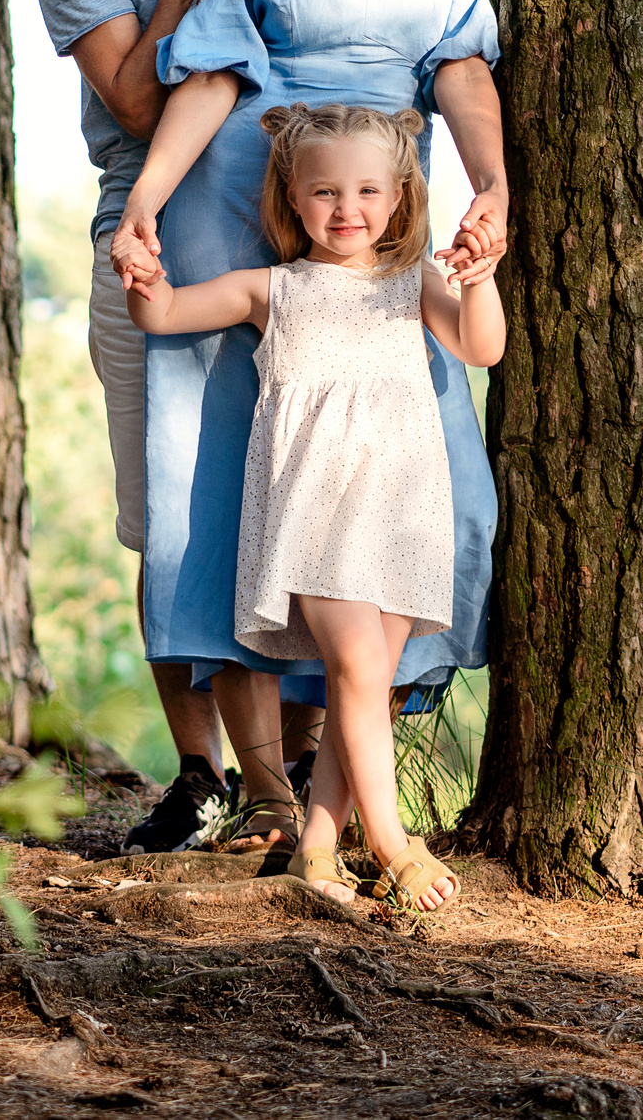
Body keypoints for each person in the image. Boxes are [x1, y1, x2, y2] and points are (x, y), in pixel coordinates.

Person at [30, 0, 483, 851]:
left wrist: (496, 185)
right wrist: (146, 200)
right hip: (230, 193)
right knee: (220, 478)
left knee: (400, 466)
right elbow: (173, 87)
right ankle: (249, 789)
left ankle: (336, 780)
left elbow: (463, 63)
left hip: (369, 198)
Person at [125, 103, 501, 910]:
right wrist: (143, 273)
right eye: (324, 191)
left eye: (368, 190)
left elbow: (482, 346)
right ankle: (394, 842)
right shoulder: (273, 288)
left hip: (402, 509)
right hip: (316, 515)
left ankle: (320, 847)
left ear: (400, 197)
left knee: (358, 681)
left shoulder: (413, 285)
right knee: (360, 668)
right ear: (290, 198)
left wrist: (481, 280)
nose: (347, 209)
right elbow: (164, 314)